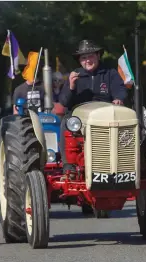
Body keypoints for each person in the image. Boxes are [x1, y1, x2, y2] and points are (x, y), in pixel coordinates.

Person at [57, 40, 128, 174]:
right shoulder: (75, 76)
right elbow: (64, 102)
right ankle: (68, 164)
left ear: (98, 56)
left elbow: (120, 90)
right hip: (79, 118)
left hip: (106, 113)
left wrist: (118, 99)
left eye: (90, 56)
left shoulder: (110, 73)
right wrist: (71, 87)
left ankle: (124, 162)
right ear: (79, 61)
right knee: (66, 121)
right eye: (84, 58)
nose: (87, 60)